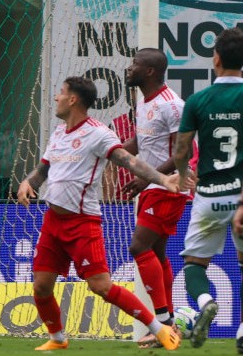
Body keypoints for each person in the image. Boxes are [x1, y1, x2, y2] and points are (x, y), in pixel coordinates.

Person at [17, 76, 182, 351]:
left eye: (61, 93)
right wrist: (27, 182)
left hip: (82, 222)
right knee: (41, 285)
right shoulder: (59, 133)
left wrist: (163, 180)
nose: (56, 98)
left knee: (101, 287)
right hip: (52, 221)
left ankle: (160, 329)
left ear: (73, 99)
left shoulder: (98, 133)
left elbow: (129, 161)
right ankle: (58, 338)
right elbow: (44, 168)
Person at [117, 48, 192, 348]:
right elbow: (141, 141)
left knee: (139, 247)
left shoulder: (172, 105)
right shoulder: (145, 102)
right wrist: (112, 153)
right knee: (157, 255)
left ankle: (163, 322)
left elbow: (182, 153)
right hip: (154, 187)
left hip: (169, 187)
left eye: (135, 64)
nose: (130, 68)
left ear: (149, 71)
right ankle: (168, 322)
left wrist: (147, 177)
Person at [175, 27, 243, 350]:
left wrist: (183, 172)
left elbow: (181, 149)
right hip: (242, 196)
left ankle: (204, 303)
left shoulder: (198, 100)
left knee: (193, 264)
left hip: (209, 197)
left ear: (215, 59)